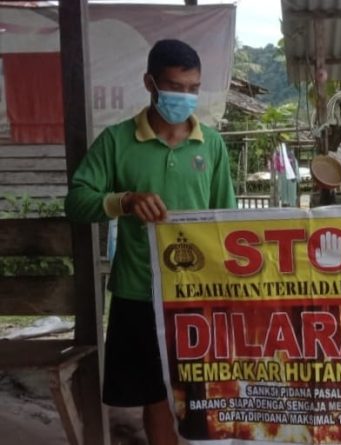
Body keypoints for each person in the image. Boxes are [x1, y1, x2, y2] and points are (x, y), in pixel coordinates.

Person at [65, 39, 236, 445]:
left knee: (205, 394)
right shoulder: (117, 141)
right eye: (175, 86)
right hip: (139, 291)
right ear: (150, 83)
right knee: (154, 396)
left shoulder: (211, 144)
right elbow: (76, 201)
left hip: (197, 294)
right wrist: (123, 201)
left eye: (193, 88)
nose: (184, 97)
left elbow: (227, 219)